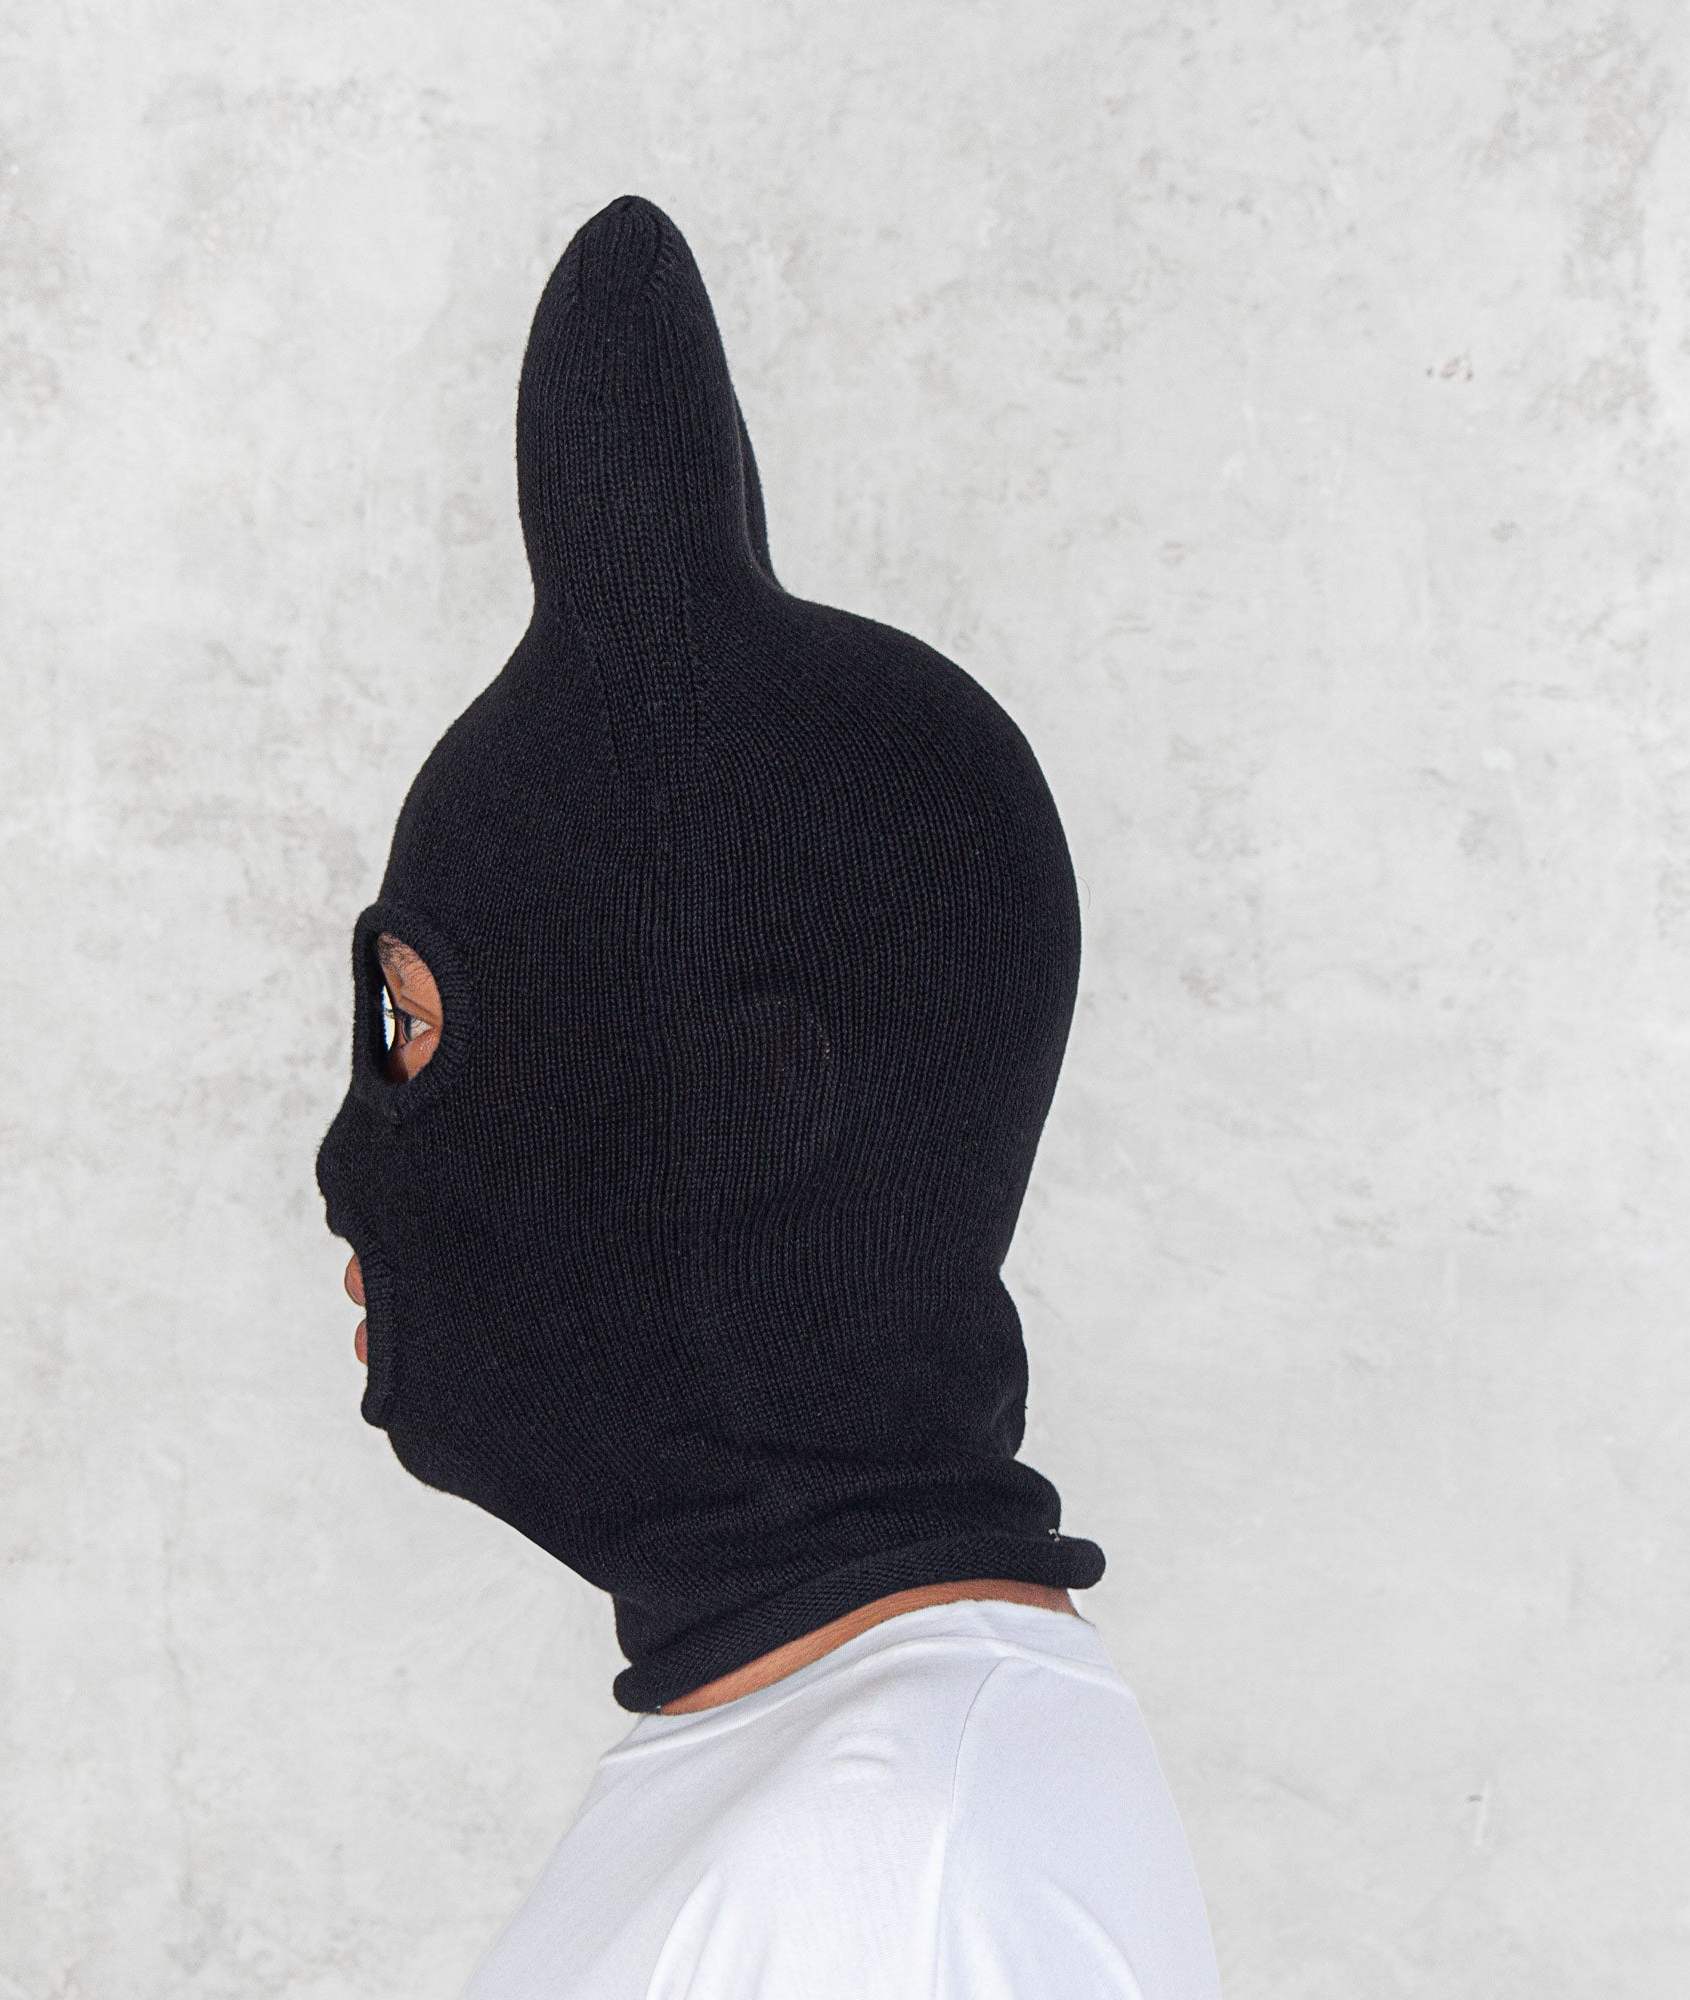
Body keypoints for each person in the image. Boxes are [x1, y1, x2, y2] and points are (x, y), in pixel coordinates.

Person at [316, 196, 1220, 1997]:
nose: (354, 1162)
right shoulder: (820, 1788)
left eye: (416, 1036)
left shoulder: (879, 1883)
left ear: (721, 1119)